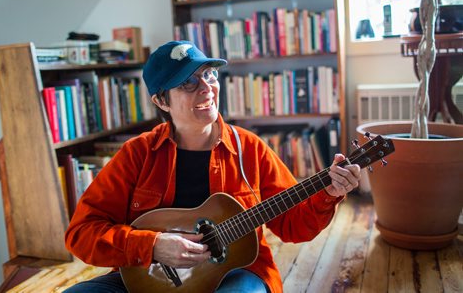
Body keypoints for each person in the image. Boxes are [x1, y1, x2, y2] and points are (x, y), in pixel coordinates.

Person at [64, 40, 360, 293]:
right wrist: (152, 246)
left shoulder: (250, 148)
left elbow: (293, 226)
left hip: (238, 273)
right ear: (160, 100)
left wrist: (328, 193)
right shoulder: (137, 154)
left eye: (210, 75)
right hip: (149, 280)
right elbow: (81, 233)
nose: (206, 88)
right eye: (187, 82)